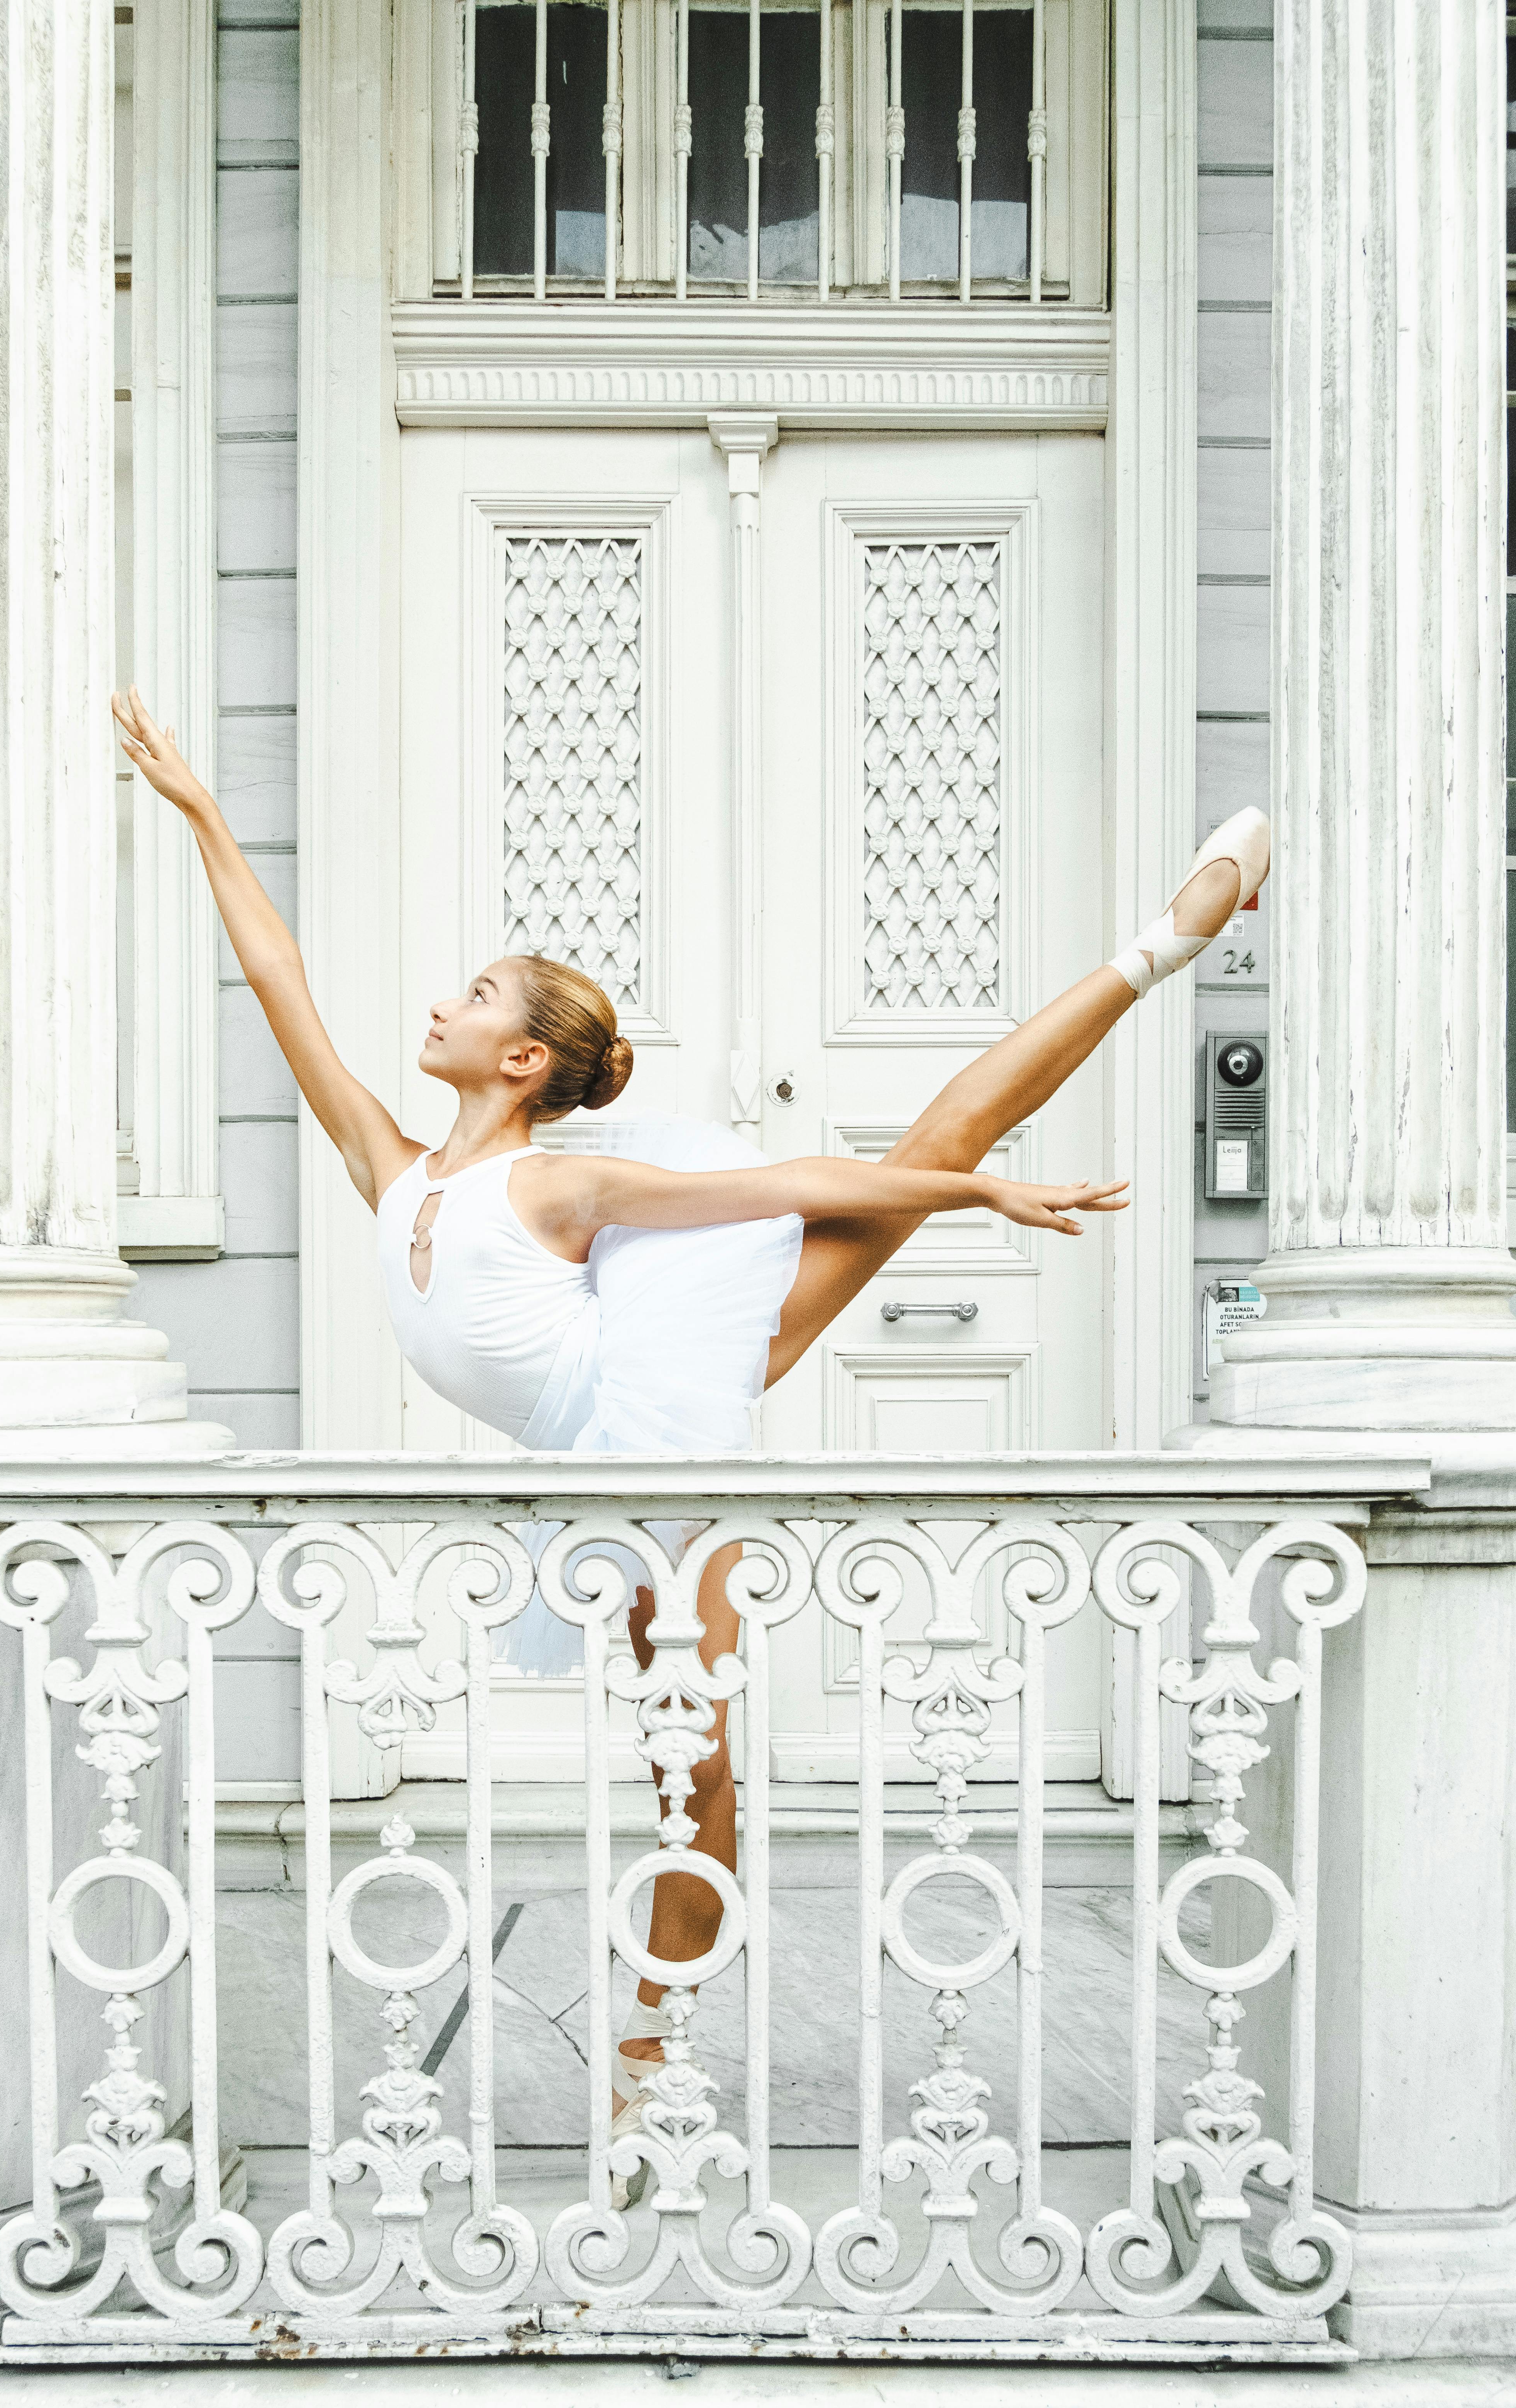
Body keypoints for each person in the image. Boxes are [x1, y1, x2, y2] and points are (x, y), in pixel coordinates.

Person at [111, 685, 1268, 2205]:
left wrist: (978, 1202)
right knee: (688, 1764)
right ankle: (656, 2046)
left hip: (656, 1428)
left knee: (698, 1767)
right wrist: (201, 815)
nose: (442, 1006)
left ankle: (1157, 950)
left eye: (474, 995)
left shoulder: (564, 1192)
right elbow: (281, 986)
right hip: (585, 1452)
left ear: (522, 1063)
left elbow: (784, 1182)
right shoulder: (389, 1166)